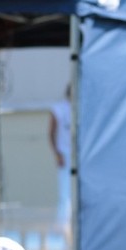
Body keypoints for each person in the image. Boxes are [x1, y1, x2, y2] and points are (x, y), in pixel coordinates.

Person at [48, 83, 72, 235]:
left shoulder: (84, 106)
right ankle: (62, 229)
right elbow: (51, 132)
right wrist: (57, 154)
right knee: (66, 194)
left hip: (82, 157)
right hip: (66, 154)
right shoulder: (59, 108)